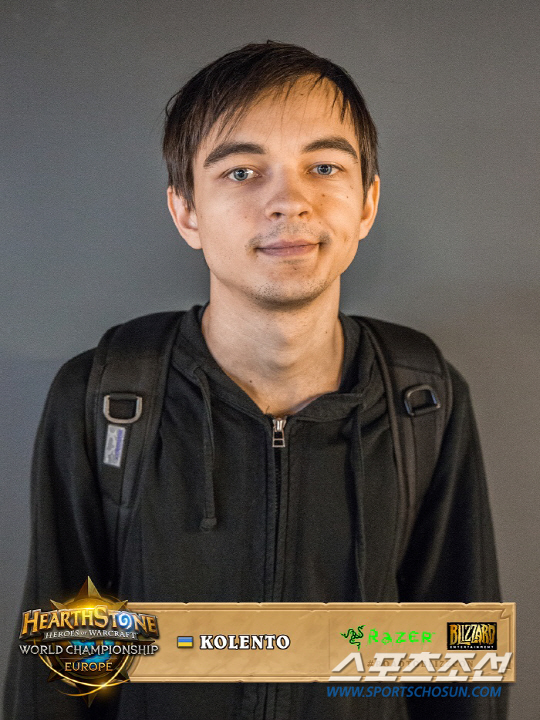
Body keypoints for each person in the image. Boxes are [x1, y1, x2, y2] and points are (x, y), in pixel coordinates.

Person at [6, 41, 505, 719]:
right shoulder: (104, 399)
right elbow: (62, 678)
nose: (289, 201)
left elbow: (459, 664)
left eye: (324, 167)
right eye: (241, 172)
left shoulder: (424, 400)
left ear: (366, 202)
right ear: (186, 211)